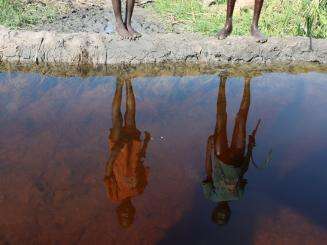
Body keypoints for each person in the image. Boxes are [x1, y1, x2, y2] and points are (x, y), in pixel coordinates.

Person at [202, 76, 259, 225]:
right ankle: (238, 81)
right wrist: (250, 149)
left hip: (226, 157)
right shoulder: (236, 196)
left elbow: (209, 172)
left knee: (232, 117)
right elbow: (242, 172)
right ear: (229, 214)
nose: (222, 214)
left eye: (218, 216)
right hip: (232, 156)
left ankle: (233, 81)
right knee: (234, 117)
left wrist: (208, 149)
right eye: (224, 217)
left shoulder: (213, 196)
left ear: (215, 212)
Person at [104, 77, 151, 228]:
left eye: (123, 215)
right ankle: (129, 81)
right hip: (133, 148)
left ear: (118, 212)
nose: (126, 213)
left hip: (117, 150)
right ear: (133, 211)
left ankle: (119, 83)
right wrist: (146, 143)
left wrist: (114, 152)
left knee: (116, 119)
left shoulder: (114, 196)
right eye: (128, 215)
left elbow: (107, 173)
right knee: (130, 116)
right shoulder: (139, 190)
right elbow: (142, 164)